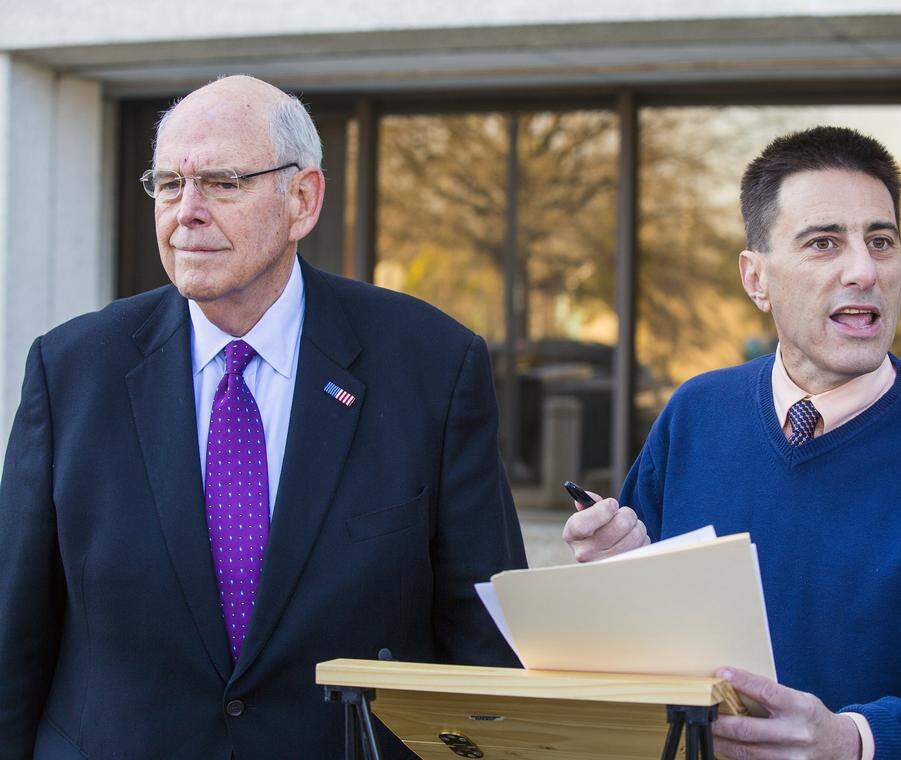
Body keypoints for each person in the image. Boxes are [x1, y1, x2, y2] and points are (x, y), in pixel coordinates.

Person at [0, 75, 525, 759]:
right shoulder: (70, 370)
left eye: (221, 183)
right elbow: (13, 635)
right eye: (167, 185)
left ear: (302, 200)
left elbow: (484, 639)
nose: (185, 212)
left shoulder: (431, 365)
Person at [562, 127, 901, 759]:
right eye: (824, 243)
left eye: (882, 241)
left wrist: (851, 742)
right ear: (756, 278)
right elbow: (637, 652)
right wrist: (615, 571)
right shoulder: (695, 414)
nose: (864, 270)